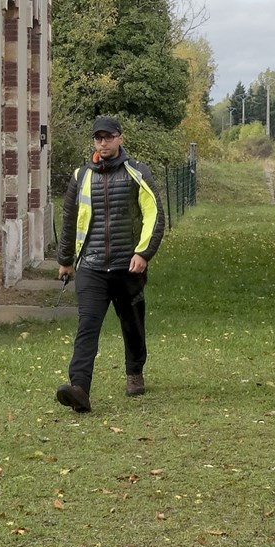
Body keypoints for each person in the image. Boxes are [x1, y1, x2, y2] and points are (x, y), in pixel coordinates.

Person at [55, 115, 163, 413]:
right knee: (87, 325)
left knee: (132, 323)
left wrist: (143, 253)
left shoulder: (137, 172)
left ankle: (135, 371)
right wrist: (65, 260)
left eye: (108, 137)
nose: (103, 142)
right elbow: (68, 220)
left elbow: (155, 215)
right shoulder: (81, 176)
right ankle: (79, 389)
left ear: (120, 138)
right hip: (90, 267)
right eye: (98, 138)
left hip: (127, 266)